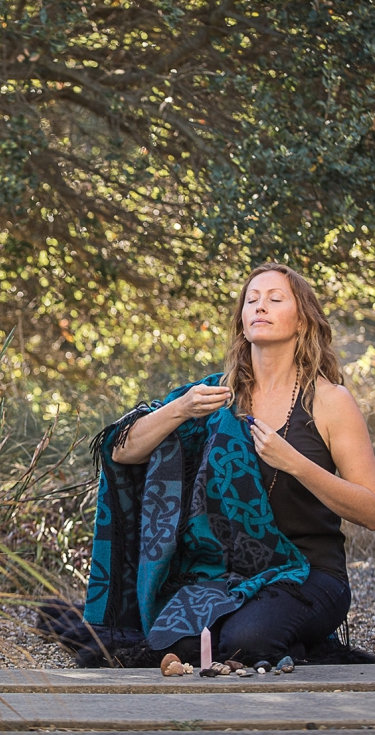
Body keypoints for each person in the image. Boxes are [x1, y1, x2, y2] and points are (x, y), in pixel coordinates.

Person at [83, 262, 375, 666]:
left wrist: (295, 464)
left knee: (247, 641)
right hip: (224, 577)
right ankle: (282, 644)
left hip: (311, 572)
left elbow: (371, 510)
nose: (260, 306)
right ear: (241, 322)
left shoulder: (329, 401)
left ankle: (291, 641)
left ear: (304, 321)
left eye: (275, 299)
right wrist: (180, 410)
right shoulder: (214, 397)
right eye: (252, 300)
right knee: (177, 644)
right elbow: (121, 451)